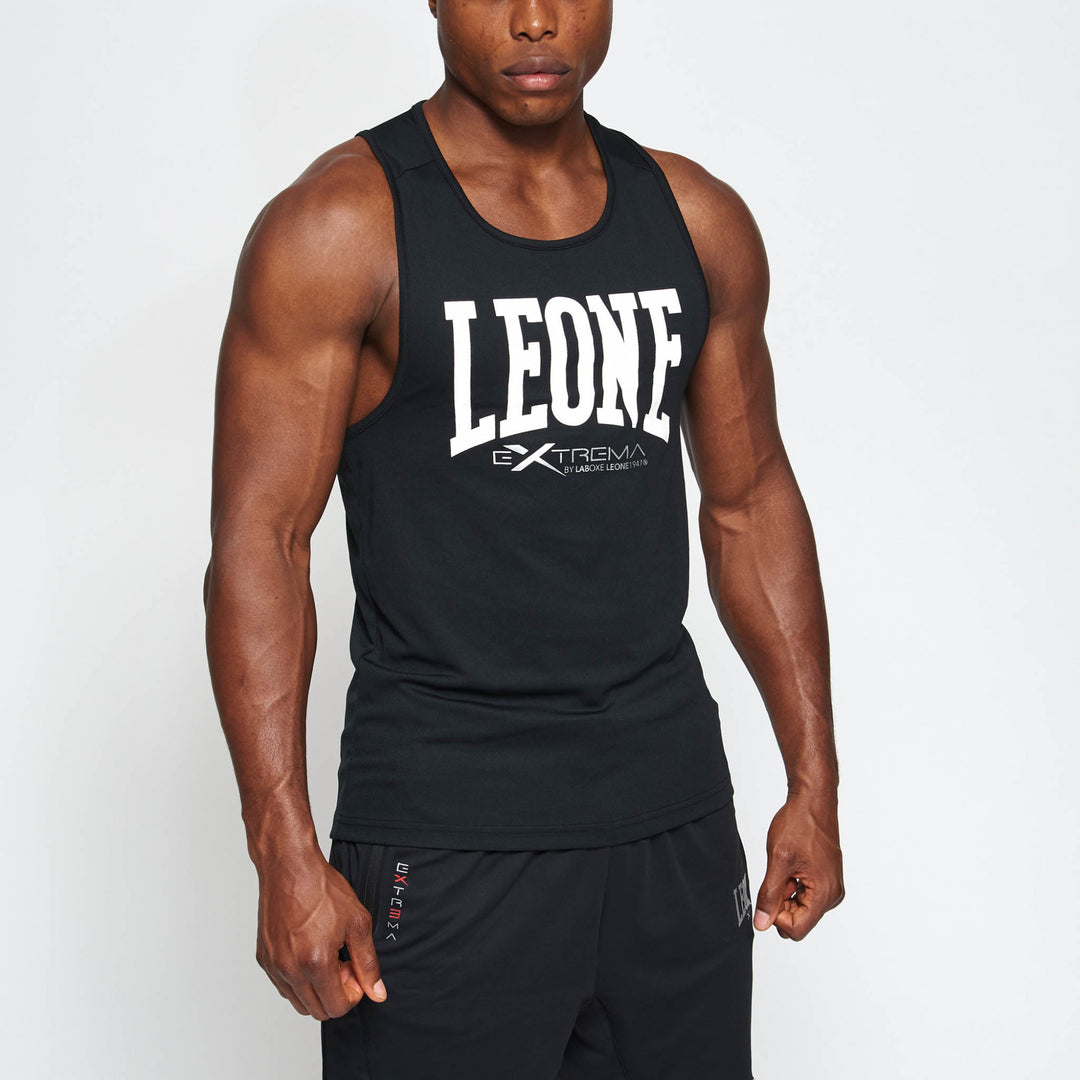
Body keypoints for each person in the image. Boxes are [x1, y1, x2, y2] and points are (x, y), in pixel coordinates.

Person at [204, 2, 844, 1077]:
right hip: (448, 843)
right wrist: (283, 853)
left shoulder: (695, 220)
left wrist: (813, 782)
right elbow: (260, 545)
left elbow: (751, 501)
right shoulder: (342, 226)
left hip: (674, 832)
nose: (537, 19)